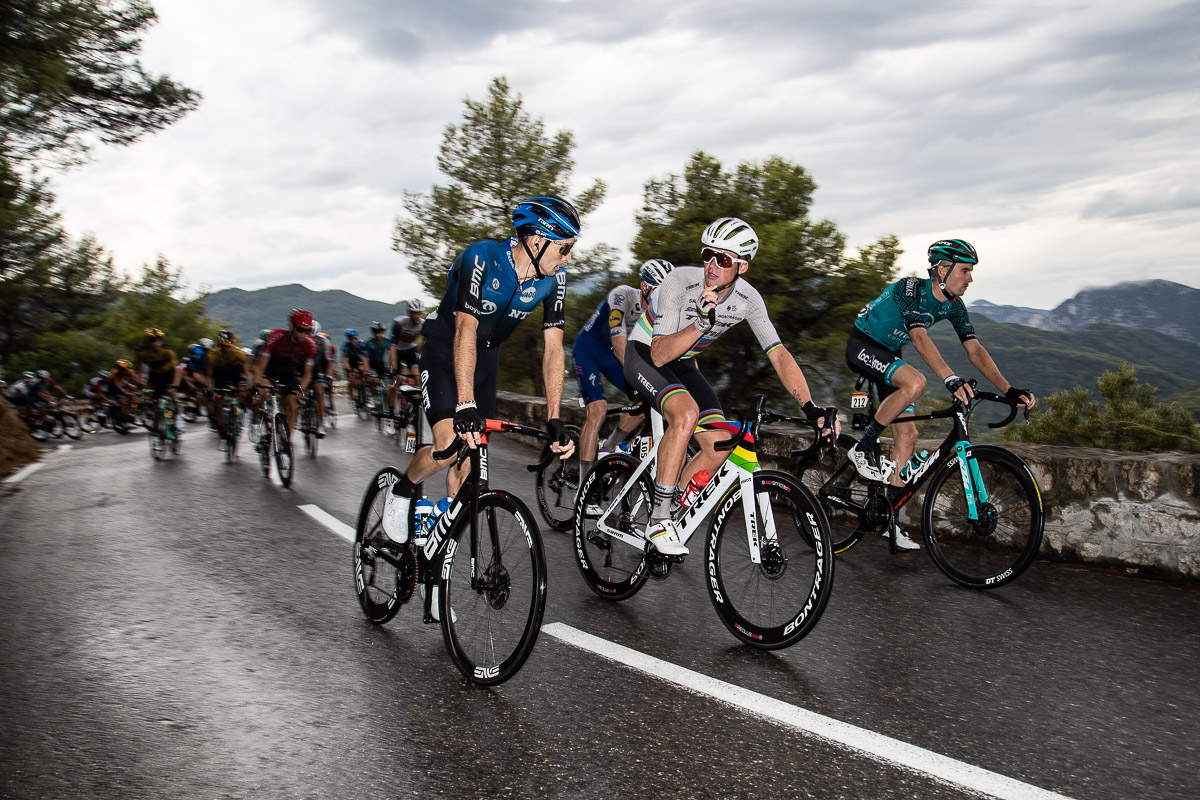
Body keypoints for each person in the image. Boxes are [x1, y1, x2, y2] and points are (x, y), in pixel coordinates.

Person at [624, 217, 834, 557]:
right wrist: (701, 323)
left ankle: (673, 504)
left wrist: (810, 407)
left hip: (685, 361)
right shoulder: (680, 283)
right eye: (708, 254)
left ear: (742, 266)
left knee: (719, 443)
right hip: (645, 353)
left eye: (723, 259)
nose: (711, 265)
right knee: (686, 413)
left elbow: (779, 354)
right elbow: (660, 355)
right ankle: (659, 518)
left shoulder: (748, 300)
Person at [380, 194, 579, 551]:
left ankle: (438, 553)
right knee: (449, 445)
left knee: (471, 462)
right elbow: (465, 330)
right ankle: (404, 489)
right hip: (445, 349)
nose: (569, 258)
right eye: (564, 249)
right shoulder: (481, 258)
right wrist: (465, 402)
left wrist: (554, 417)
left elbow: (553, 349)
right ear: (536, 240)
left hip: (487, 360)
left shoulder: (554, 280)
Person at [845, 238, 1036, 549]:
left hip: (890, 353)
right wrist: (949, 378)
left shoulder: (954, 307)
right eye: (965, 271)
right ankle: (863, 447)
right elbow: (919, 338)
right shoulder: (911, 290)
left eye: (971, 272)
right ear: (942, 270)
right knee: (916, 382)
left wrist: (1009, 389)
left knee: (908, 436)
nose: (970, 279)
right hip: (863, 345)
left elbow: (974, 350)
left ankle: (886, 519)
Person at [572, 259, 674, 483]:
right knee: (598, 410)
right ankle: (583, 486)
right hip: (589, 350)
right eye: (658, 294)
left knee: (645, 399)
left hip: (613, 356)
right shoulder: (622, 296)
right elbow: (619, 345)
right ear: (644, 287)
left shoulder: (659, 313)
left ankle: (607, 448)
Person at [248, 309, 317, 441]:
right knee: (262, 392)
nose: (304, 334)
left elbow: (307, 374)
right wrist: (256, 386)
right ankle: (255, 420)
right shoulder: (277, 336)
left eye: (308, 331)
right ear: (291, 326)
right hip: (270, 364)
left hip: (287, 367)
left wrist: (301, 389)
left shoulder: (310, 345)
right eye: (300, 329)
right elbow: (261, 366)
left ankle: (286, 442)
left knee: (293, 404)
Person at [205, 330, 249, 423]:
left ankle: (243, 409)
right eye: (226, 347)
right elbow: (209, 375)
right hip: (220, 375)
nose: (229, 349)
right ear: (220, 346)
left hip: (236, 373)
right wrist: (209, 387)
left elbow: (246, 372)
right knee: (218, 405)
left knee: (244, 392)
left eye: (231, 346)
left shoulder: (240, 354)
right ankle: (221, 426)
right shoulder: (212, 356)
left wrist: (245, 386)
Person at [390, 298, 425, 384]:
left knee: (418, 378)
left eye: (419, 313)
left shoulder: (423, 324)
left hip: (410, 350)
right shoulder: (399, 323)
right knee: (395, 383)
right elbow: (393, 347)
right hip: (397, 351)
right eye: (415, 313)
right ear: (409, 312)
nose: (418, 316)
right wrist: (394, 368)